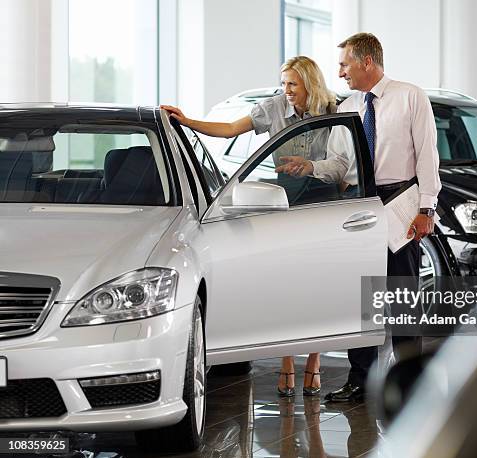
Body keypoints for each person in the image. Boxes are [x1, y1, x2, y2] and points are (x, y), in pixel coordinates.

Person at [276, 33, 441, 402]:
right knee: (360, 300)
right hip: (358, 206)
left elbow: (428, 155)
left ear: (367, 61)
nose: (340, 71)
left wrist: (426, 207)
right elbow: (339, 163)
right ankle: (361, 380)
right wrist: (311, 166)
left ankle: (411, 380)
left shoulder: (409, 96)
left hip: (400, 203)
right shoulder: (349, 106)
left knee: (401, 296)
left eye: (345, 63)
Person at [162, 56, 336, 398]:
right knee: (290, 283)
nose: (286, 91)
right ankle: (287, 362)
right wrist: (186, 120)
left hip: (324, 198)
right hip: (285, 199)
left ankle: (314, 363)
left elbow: (342, 162)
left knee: (321, 283)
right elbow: (227, 130)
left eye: (292, 84)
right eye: (283, 83)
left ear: (310, 85)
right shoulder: (272, 107)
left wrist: (314, 166)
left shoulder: (333, 109)